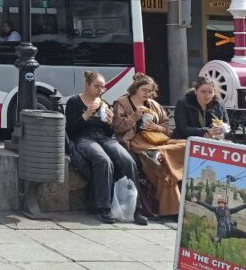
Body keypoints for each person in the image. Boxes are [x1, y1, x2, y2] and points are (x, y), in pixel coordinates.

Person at [66, 70, 148, 225]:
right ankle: (103, 208)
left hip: (103, 138)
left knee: (128, 160)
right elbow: (70, 130)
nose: (100, 90)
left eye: (102, 87)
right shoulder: (74, 102)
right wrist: (86, 115)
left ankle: (136, 209)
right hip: (83, 139)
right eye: (96, 86)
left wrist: (110, 123)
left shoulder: (103, 103)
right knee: (103, 160)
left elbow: (109, 133)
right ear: (87, 85)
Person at [112, 73, 186, 217]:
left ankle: (159, 153)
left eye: (150, 91)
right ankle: (171, 211)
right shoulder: (122, 102)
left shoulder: (153, 105)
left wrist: (157, 127)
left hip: (157, 140)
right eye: (144, 90)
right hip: (136, 140)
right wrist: (134, 116)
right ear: (135, 88)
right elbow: (118, 127)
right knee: (164, 171)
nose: (147, 93)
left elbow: (167, 128)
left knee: (186, 145)